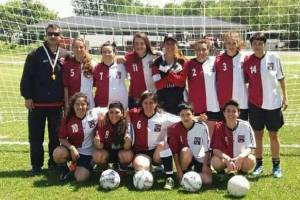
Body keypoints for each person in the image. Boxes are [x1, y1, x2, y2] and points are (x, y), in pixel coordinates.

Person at [20, 24, 69, 173]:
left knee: (55, 137)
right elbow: (26, 77)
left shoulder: (65, 55)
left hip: (57, 105)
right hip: (37, 105)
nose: (53, 36)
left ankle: (53, 163)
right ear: (46, 35)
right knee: (36, 137)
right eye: (50, 34)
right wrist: (27, 97)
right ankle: (36, 165)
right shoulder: (35, 54)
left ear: (60, 35)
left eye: (56, 33)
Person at [243, 32, 288, 178]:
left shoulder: (274, 57)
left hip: (273, 104)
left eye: (260, 43)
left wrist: (285, 97)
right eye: (254, 44)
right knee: (258, 135)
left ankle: (276, 165)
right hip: (255, 104)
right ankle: (259, 164)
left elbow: (281, 78)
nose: (257, 46)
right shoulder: (248, 61)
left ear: (264, 44)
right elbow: (244, 81)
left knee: (273, 135)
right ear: (251, 45)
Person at [129, 91, 180, 190]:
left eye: (151, 103)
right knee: (141, 167)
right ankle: (148, 168)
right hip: (141, 152)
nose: (148, 105)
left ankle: (169, 177)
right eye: (145, 103)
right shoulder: (135, 113)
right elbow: (123, 113)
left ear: (156, 104)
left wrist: (199, 118)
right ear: (141, 103)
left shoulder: (163, 116)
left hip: (157, 153)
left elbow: (182, 118)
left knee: (164, 144)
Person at [53, 92, 106, 182]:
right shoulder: (67, 119)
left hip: (88, 153)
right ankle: (65, 171)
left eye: (83, 104)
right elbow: (61, 138)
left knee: (81, 178)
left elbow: (111, 109)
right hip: (74, 151)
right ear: (73, 106)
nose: (80, 107)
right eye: (77, 104)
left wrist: (103, 115)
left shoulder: (93, 114)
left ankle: (88, 166)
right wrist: (71, 148)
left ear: (87, 106)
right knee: (58, 153)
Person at [167, 103, 212, 185]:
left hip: (199, 157)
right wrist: (179, 171)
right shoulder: (174, 128)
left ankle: (191, 176)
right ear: (179, 116)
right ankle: (185, 173)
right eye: (182, 115)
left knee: (208, 181)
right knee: (185, 150)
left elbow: (207, 149)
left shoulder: (202, 126)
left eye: (188, 114)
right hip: (185, 157)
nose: (185, 117)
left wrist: (205, 166)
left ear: (193, 115)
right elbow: (175, 153)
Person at [186, 39, 221, 136]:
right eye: (198, 49)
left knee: (211, 136)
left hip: (212, 105)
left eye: (204, 49)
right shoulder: (189, 64)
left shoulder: (215, 62)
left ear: (208, 50)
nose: (201, 52)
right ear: (195, 51)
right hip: (196, 106)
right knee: (198, 136)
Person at [210, 100, 256, 175]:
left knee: (251, 160)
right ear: (224, 113)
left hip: (240, 158)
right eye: (228, 111)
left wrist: (240, 157)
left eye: (234, 111)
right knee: (215, 161)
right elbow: (215, 150)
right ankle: (222, 172)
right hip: (225, 160)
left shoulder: (245, 125)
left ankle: (241, 171)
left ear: (238, 114)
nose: (231, 113)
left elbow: (251, 148)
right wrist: (227, 159)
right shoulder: (218, 127)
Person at [215, 32, 248, 120]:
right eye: (229, 43)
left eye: (234, 43)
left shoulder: (245, 58)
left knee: (241, 129)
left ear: (238, 43)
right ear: (225, 44)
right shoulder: (218, 59)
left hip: (241, 101)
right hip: (224, 101)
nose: (231, 46)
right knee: (225, 130)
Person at [93, 101, 133, 173]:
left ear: (122, 114)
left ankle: (122, 169)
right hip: (107, 153)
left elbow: (127, 147)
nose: (114, 115)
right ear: (108, 113)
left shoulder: (126, 124)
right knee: (97, 155)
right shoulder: (103, 123)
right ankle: (105, 170)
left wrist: (127, 141)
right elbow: (100, 147)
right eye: (111, 112)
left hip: (121, 152)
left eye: (117, 112)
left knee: (128, 155)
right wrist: (97, 143)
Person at [151, 33, 187, 115]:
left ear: (176, 45)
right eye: (167, 43)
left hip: (179, 102)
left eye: (172, 43)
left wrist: (168, 73)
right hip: (162, 103)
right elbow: (158, 85)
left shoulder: (182, 61)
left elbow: (181, 83)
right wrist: (174, 77)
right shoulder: (156, 63)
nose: (170, 46)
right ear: (164, 45)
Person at [124, 32, 157, 108]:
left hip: (151, 98)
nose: (139, 46)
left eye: (142, 43)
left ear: (146, 44)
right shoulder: (128, 58)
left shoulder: (154, 57)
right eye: (136, 43)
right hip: (135, 99)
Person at [62, 38, 95, 113]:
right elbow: (65, 87)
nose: (78, 49)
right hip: (73, 104)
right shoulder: (67, 65)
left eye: (81, 47)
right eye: (76, 47)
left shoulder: (92, 64)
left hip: (88, 103)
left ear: (85, 49)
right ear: (72, 49)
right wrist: (67, 105)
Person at [93, 41, 128, 109]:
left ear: (114, 53)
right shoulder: (97, 68)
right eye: (104, 52)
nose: (107, 54)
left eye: (109, 52)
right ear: (101, 54)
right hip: (102, 105)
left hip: (119, 104)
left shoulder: (122, 65)